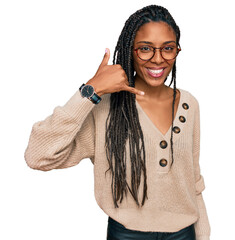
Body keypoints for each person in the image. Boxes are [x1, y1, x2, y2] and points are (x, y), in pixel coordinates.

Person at [24, 4, 211, 240]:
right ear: (129, 50)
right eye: (145, 49)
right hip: (126, 234)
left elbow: (193, 181)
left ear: (177, 50)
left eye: (167, 48)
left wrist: (203, 234)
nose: (157, 59)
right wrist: (90, 91)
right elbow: (38, 156)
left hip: (184, 233)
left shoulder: (189, 104)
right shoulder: (104, 107)